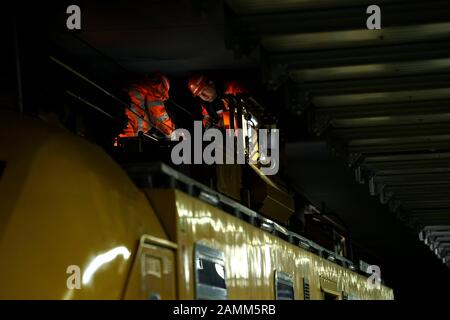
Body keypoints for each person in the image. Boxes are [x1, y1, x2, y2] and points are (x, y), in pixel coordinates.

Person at [119, 73, 175, 139]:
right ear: (161, 86)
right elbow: (159, 116)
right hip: (130, 122)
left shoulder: (139, 87)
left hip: (125, 117)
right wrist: (170, 132)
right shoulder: (154, 92)